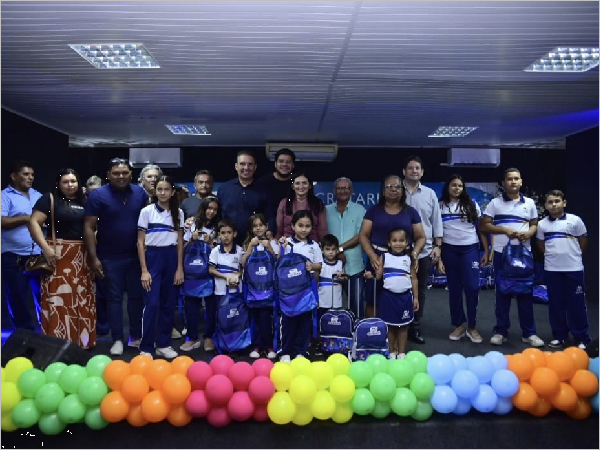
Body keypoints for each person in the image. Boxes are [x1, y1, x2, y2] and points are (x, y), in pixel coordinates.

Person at [84, 158, 148, 356]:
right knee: (114, 299)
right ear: (108, 175)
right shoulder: (98, 195)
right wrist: (93, 258)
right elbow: (88, 227)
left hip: (136, 257)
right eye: (116, 173)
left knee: (137, 298)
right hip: (109, 257)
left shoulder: (140, 193)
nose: (121, 176)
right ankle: (117, 339)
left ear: (131, 174)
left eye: (125, 173)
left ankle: (135, 336)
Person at [28, 168, 96, 348]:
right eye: (65, 182)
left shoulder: (85, 201)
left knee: (82, 298)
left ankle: (82, 343)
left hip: (82, 257)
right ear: (58, 183)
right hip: (57, 255)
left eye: (73, 181)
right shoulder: (49, 199)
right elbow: (33, 222)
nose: (70, 185)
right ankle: (56, 343)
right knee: (59, 300)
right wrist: (45, 248)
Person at [479, 168, 545, 347]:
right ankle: (500, 331)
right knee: (502, 293)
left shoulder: (529, 203)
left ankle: (529, 333)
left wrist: (529, 233)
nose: (513, 181)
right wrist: (504, 230)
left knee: (525, 293)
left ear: (521, 182)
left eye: (516, 178)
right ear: (503, 183)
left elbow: (534, 224)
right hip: (502, 254)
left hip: (524, 254)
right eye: (509, 179)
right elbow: (484, 226)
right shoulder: (495, 203)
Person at [358, 175, 426, 319]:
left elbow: (421, 237)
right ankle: (372, 331)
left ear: (402, 190)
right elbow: (363, 235)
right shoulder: (374, 211)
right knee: (373, 300)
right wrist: (372, 256)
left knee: (400, 296)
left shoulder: (411, 212)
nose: (393, 189)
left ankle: (398, 329)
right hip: (377, 259)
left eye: (397, 187)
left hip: (403, 260)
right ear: (383, 191)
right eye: (389, 186)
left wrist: (414, 254)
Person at [436, 174, 489, 343]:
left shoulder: (471, 204)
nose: (457, 188)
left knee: (472, 287)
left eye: (460, 185)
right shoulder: (439, 205)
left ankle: (472, 327)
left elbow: (481, 229)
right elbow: (437, 233)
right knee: (454, 289)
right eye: (454, 185)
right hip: (449, 250)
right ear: (448, 187)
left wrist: (486, 251)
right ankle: (459, 325)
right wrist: (439, 259)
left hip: (470, 249)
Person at [137, 175, 184, 360]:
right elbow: (140, 242)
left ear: (172, 192)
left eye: (166, 189)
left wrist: (179, 268)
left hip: (171, 257)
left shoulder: (178, 213)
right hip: (152, 258)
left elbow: (180, 243)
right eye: (159, 189)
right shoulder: (147, 212)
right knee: (152, 304)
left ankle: (163, 344)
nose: (163, 193)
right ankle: (146, 347)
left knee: (168, 304)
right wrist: (144, 270)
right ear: (155, 191)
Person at [536, 190, 591, 349]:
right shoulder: (542, 224)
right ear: (546, 205)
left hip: (574, 269)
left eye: (557, 201)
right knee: (556, 304)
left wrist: (573, 256)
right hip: (552, 270)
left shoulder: (575, 220)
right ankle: (559, 336)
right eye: (550, 202)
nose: (554, 204)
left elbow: (583, 241)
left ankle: (581, 337)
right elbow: (541, 245)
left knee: (577, 304)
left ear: (564, 203)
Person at [402, 156, 443, 345]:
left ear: (422, 172)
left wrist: (437, 246)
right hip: (398, 251)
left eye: (417, 168)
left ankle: (415, 328)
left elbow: (436, 221)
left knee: (420, 291)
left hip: (424, 250)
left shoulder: (430, 194)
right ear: (404, 171)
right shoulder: (396, 191)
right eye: (410, 168)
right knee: (398, 288)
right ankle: (398, 324)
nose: (414, 171)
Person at [1, 160, 43, 331]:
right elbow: (2, 221)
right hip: (13, 256)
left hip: (38, 254)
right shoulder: (5, 196)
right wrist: (28, 218)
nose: (30, 177)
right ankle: (24, 337)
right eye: (26, 174)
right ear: (14, 176)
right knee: (17, 298)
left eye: (32, 174)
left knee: (44, 296)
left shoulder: (37, 195)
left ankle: (46, 332)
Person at [277, 210, 323, 363]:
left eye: (307, 226)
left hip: (306, 291)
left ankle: (300, 352)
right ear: (293, 226)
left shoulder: (314, 246)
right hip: (288, 292)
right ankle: (285, 351)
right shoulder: (286, 242)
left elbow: (319, 265)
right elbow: (279, 263)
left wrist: (312, 266)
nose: (304, 229)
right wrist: (282, 247)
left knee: (304, 321)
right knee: (288, 321)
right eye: (300, 225)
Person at [366, 228, 419, 359]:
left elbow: (414, 279)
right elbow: (378, 275)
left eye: (401, 240)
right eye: (394, 241)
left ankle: (401, 353)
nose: (398, 243)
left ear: (406, 242)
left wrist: (416, 298)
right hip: (388, 297)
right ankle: (391, 353)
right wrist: (371, 275)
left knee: (403, 327)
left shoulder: (409, 259)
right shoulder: (384, 257)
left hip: (405, 298)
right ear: (389, 243)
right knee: (389, 326)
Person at [180, 196, 222, 352]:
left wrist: (212, 243)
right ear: (203, 208)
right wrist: (191, 240)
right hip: (192, 272)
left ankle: (209, 337)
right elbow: (182, 248)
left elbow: (223, 251)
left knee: (211, 308)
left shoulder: (219, 227)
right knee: (191, 306)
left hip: (210, 272)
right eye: (209, 208)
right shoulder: (192, 224)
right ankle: (192, 337)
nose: (211, 212)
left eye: (215, 209)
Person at [325, 177, 366, 316]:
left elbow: (361, 235)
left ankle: (357, 329)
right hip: (330, 266)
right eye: (339, 188)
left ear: (352, 191)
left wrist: (339, 249)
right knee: (329, 307)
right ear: (334, 191)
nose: (343, 191)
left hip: (354, 267)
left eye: (346, 188)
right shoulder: (326, 210)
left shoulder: (360, 210)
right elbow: (322, 235)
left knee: (357, 307)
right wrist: (334, 253)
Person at [241, 213, 279, 360]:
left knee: (267, 319)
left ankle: (268, 347)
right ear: (251, 228)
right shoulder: (247, 244)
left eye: (261, 225)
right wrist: (250, 247)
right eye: (255, 226)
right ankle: (257, 346)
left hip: (268, 290)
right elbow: (243, 264)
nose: (258, 228)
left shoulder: (273, 243)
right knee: (255, 320)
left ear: (266, 226)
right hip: (253, 290)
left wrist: (269, 247)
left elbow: (277, 263)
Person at [218, 151, 272, 246]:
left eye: (250, 164)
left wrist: (270, 231)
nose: (246, 167)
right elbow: (218, 216)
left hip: (256, 243)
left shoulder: (264, 190)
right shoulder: (224, 189)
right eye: (242, 164)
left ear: (255, 167)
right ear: (236, 166)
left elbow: (270, 215)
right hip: (229, 244)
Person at [208, 219, 244, 351]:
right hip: (220, 291)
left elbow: (243, 269)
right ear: (219, 234)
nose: (226, 236)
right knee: (221, 318)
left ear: (234, 234)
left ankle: (236, 344)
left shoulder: (240, 250)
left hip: (237, 291)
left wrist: (237, 276)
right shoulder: (216, 251)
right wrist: (226, 277)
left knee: (235, 318)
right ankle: (222, 344)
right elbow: (211, 269)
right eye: (223, 233)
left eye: (229, 232)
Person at [276, 171, 327, 242]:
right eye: (297, 183)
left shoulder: (318, 203)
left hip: (312, 245)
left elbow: (322, 230)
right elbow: (279, 229)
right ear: (292, 186)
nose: (301, 186)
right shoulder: (284, 203)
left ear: (310, 186)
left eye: (304, 183)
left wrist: (324, 245)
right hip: (288, 244)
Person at [256, 148, 296, 227]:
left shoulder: (297, 183)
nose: (284, 164)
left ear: (293, 165)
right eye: (281, 161)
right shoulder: (262, 182)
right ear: (275, 164)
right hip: (265, 228)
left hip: (291, 229)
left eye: (288, 162)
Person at [317, 233, 346, 318]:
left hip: (336, 302)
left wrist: (341, 277)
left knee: (335, 322)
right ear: (322, 250)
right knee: (321, 322)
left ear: (337, 250)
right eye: (327, 249)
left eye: (333, 249)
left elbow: (345, 279)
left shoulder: (340, 264)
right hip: (322, 302)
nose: (330, 252)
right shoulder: (320, 264)